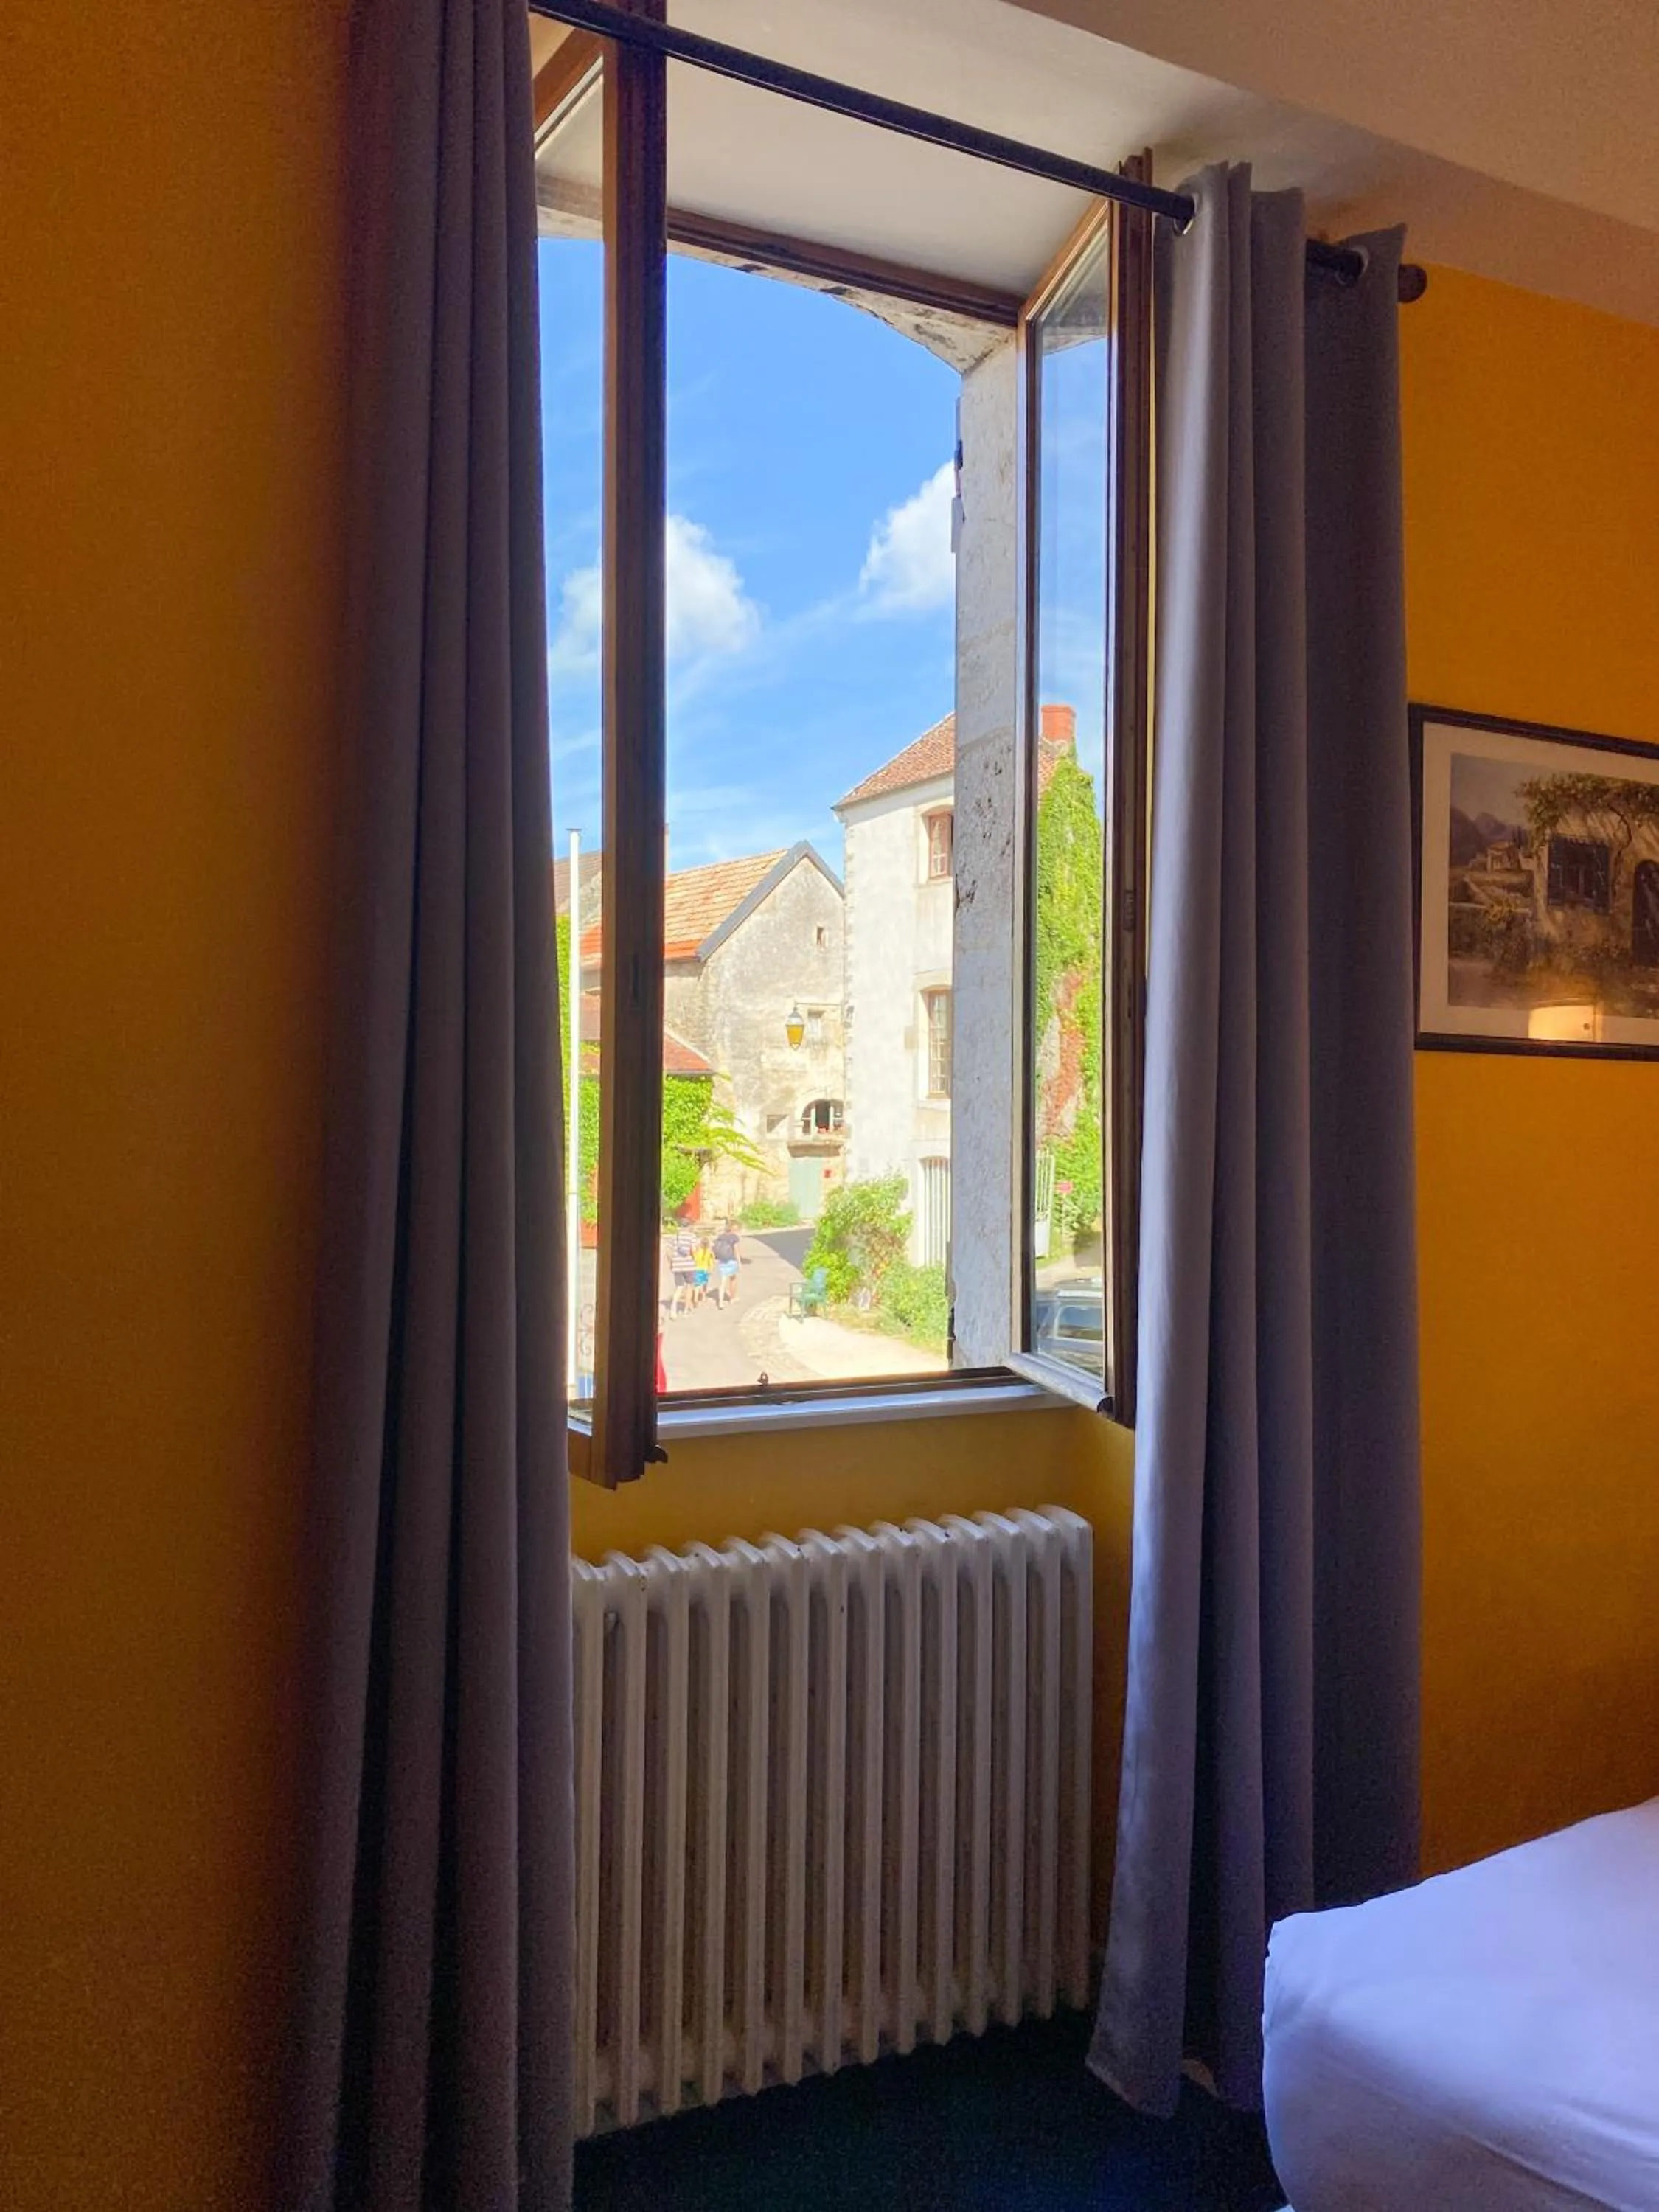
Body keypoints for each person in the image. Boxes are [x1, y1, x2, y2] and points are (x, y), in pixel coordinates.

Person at [668, 1225, 696, 1318]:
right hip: (689, 1265)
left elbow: (669, 1251)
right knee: (689, 1287)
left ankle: (673, 1307)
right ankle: (685, 1311)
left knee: (679, 1287)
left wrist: (671, 1263)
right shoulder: (691, 1236)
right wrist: (695, 1260)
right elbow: (693, 1251)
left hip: (677, 1265)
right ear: (689, 1227)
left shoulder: (675, 1237)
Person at [712, 1220, 740, 1307]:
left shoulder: (720, 1237)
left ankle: (720, 1302)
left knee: (722, 1282)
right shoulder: (734, 1237)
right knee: (733, 1279)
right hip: (731, 1260)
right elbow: (736, 1251)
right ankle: (732, 1298)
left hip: (722, 1261)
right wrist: (739, 1262)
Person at [692, 1231, 714, 1306]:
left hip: (697, 1269)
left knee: (697, 1285)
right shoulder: (709, 1251)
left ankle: (695, 1299)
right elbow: (711, 1261)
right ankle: (703, 1297)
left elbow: (694, 1258)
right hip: (705, 1269)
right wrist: (711, 1269)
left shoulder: (698, 1251)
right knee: (704, 1284)